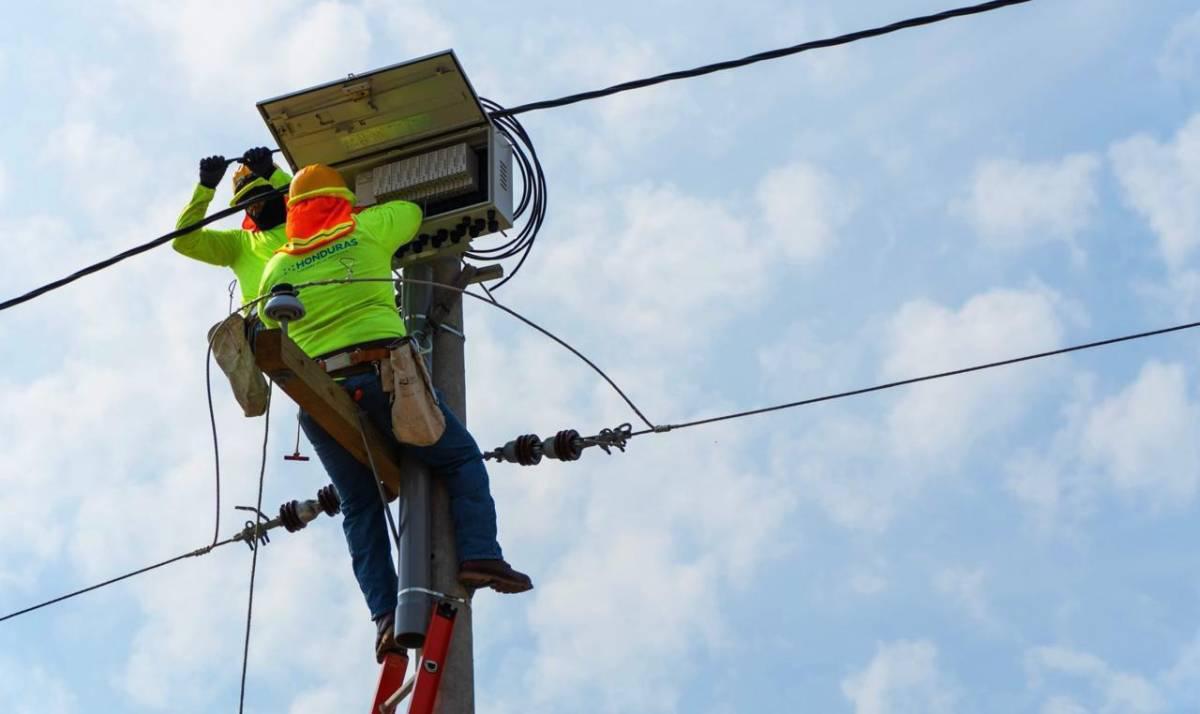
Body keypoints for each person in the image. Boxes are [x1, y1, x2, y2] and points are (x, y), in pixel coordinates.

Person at [255, 163, 532, 660]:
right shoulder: (366, 229)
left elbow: (267, 321)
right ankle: (480, 555)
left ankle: (385, 615)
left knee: (360, 506)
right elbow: (410, 211)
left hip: (322, 400)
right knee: (458, 457)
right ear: (342, 202)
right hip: (384, 376)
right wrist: (362, 208)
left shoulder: (276, 267)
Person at [174, 147, 291, 416]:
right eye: (246, 202)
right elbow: (184, 241)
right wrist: (205, 187)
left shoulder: (305, 223)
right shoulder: (240, 243)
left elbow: (305, 199)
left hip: (316, 309)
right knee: (226, 329)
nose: (254, 206)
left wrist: (272, 172)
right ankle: (252, 393)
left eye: (258, 197)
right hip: (268, 322)